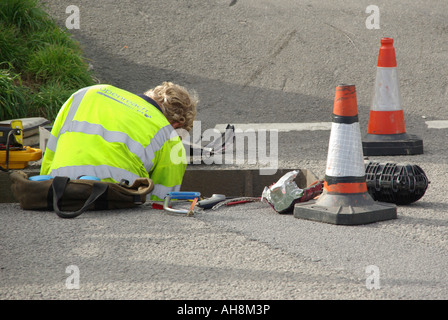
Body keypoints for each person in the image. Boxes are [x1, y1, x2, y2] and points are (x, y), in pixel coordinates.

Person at [40, 82, 198, 200]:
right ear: (176, 124)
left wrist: (42, 191)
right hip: (113, 199)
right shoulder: (167, 131)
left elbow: (50, 153)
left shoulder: (87, 93)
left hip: (59, 187)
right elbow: (161, 200)